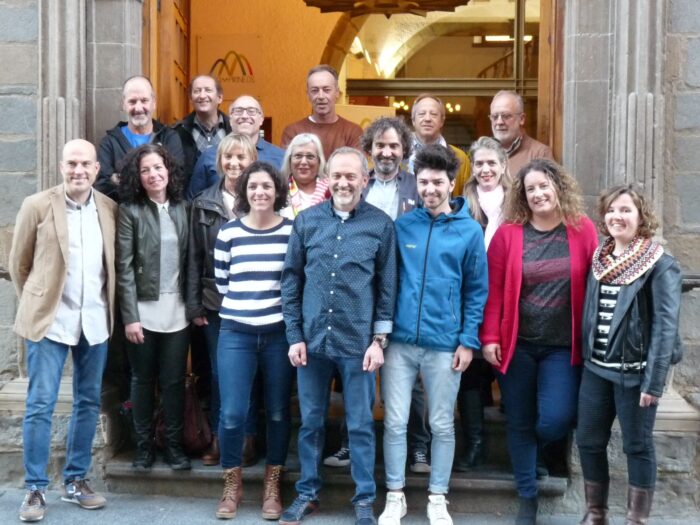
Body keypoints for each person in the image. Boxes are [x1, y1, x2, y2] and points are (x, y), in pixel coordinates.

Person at [280, 147, 397, 525]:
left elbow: (388, 288)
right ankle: (307, 493)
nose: (344, 183)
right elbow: (291, 281)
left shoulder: (381, 225)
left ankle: (364, 499)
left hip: (358, 344)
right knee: (311, 422)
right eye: (337, 176)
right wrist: (294, 335)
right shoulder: (307, 222)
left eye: (351, 176)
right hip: (312, 342)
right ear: (327, 180)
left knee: (360, 425)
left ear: (365, 179)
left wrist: (379, 342)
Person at [480, 158, 598, 525]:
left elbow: (597, 284)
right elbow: (493, 291)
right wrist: (489, 337)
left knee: (554, 420)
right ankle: (527, 496)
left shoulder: (582, 230)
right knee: (519, 420)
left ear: (558, 188)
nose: (538, 194)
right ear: (522, 195)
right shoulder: (508, 234)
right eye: (530, 189)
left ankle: (541, 453)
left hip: (562, 347)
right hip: (517, 345)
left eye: (544, 186)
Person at [378, 144, 488, 525]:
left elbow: (476, 290)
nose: (430, 189)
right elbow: (388, 283)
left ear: (451, 183)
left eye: (437, 182)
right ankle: (395, 496)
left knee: (441, 423)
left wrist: (468, 341)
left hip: (445, 343)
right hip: (400, 343)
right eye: (423, 182)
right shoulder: (403, 226)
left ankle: (437, 497)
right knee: (394, 422)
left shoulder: (469, 231)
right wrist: (382, 335)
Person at [10, 139, 116, 522]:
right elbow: (19, 264)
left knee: (88, 402)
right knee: (40, 403)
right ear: (61, 167)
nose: (78, 171)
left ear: (96, 169)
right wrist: (38, 302)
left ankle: (75, 481)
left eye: (85, 164)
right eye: (72, 163)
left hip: (95, 321)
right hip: (50, 322)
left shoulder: (109, 209)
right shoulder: (37, 205)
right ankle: (35, 488)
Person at [575, 185, 682, 525]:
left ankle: (636, 520)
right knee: (588, 441)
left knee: (637, 445)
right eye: (611, 210)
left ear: (640, 217)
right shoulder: (600, 259)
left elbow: (666, 328)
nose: (616, 216)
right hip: (596, 369)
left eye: (625, 210)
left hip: (635, 375)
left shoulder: (660, 264)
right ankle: (596, 513)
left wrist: (654, 382)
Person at [212, 162, 294, 520]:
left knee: (277, 411)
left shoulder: (292, 232)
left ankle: (272, 486)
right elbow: (223, 282)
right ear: (244, 192)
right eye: (253, 186)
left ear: (277, 191)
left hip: (279, 335)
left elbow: (294, 281)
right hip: (236, 334)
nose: (260, 192)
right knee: (232, 413)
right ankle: (232, 484)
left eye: (267, 186)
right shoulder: (228, 233)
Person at [116, 144, 191, 472]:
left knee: (174, 381)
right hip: (143, 312)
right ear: (138, 176)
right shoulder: (130, 210)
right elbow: (124, 267)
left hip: (178, 310)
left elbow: (191, 259)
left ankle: (173, 446)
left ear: (168, 170)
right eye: (145, 170)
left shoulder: (183, 207)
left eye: (158, 167)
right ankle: (144, 447)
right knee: (142, 380)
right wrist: (130, 317)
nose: (153, 174)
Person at [185, 133, 257, 467]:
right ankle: (218, 436)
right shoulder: (203, 203)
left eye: (241, 157)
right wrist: (194, 304)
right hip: (216, 302)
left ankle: (248, 436)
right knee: (219, 373)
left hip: (255, 300)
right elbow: (194, 257)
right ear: (219, 161)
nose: (234, 163)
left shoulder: (261, 197)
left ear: (252, 161)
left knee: (251, 372)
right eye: (229, 157)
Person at [453, 136, 511, 472]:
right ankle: (474, 444)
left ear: (503, 165)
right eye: (479, 164)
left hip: (510, 299)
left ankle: (520, 447)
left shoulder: (518, 205)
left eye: (491, 163)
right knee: (471, 375)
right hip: (471, 299)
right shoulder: (462, 206)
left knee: (510, 373)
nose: (485, 169)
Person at [95, 75, 184, 201]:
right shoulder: (109, 143)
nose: (138, 108)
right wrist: (154, 181)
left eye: (144, 100)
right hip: (121, 212)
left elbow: (177, 180)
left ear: (154, 102)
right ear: (123, 104)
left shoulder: (169, 138)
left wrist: (121, 179)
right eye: (132, 102)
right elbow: (103, 187)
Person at [188, 95, 284, 199]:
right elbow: (193, 201)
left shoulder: (281, 157)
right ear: (230, 119)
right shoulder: (209, 155)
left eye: (251, 111)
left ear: (261, 119)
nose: (244, 116)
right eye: (238, 111)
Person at [281, 65, 362, 159]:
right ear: (308, 95)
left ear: (337, 93)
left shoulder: (353, 132)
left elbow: (355, 166)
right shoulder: (293, 132)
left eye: (326, 90)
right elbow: (287, 166)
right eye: (314, 91)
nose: (321, 96)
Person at [172, 74, 232, 186]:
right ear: (191, 99)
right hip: (191, 195)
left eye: (208, 90)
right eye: (197, 91)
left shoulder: (233, 130)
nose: (202, 95)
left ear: (219, 98)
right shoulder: (177, 132)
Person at [407, 93, 470, 197]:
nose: (427, 118)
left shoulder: (460, 158)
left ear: (442, 121)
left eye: (433, 114)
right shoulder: (399, 156)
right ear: (413, 120)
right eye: (422, 114)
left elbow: (466, 200)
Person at [489, 90, 554, 177]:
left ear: (522, 119)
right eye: (495, 117)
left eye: (506, 116)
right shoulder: (484, 152)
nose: (499, 122)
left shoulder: (540, 154)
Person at [279, 133, 330, 219]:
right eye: (298, 156)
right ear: (289, 160)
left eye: (310, 156)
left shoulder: (332, 190)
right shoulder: (279, 190)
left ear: (319, 161)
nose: (303, 162)